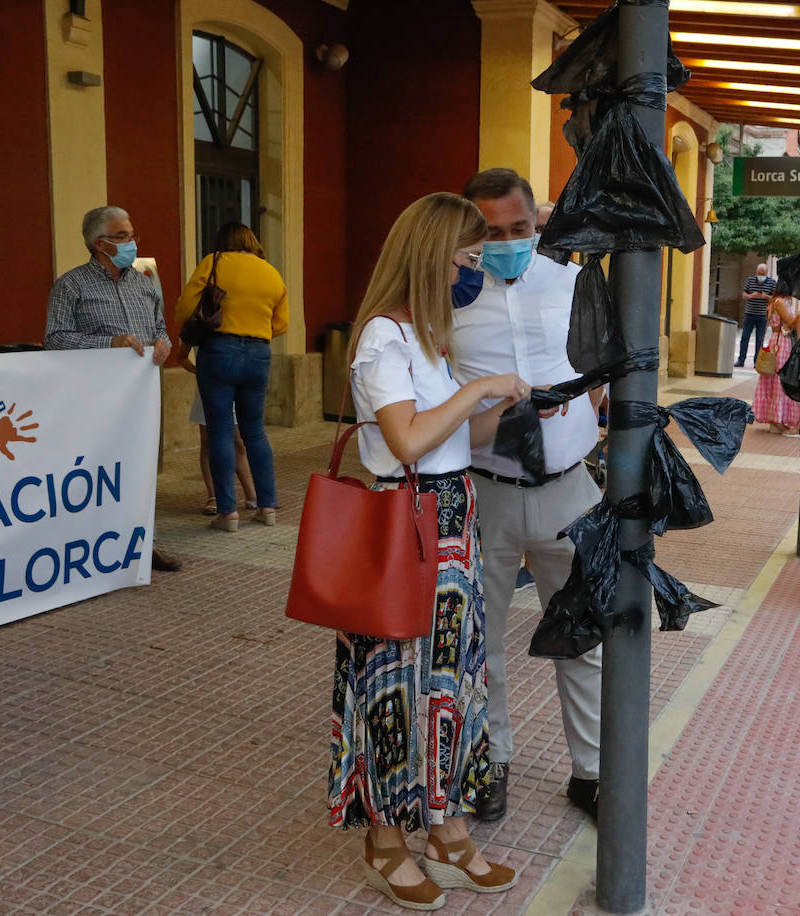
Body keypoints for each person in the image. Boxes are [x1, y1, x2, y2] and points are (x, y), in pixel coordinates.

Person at [330, 191, 528, 910]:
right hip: (404, 523)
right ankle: (386, 840)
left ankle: (442, 825)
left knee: (448, 679)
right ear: (432, 254)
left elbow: (453, 441)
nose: (474, 271)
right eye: (469, 258)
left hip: (449, 519)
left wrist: (498, 405)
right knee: (396, 684)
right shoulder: (383, 337)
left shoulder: (426, 337)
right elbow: (407, 443)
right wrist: (476, 386)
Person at [453, 168, 605, 821]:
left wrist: (575, 422)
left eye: (520, 229)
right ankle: (492, 762)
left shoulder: (573, 284)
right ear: (470, 233)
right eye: (493, 233)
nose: (509, 242)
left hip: (568, 488)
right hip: (483, 487)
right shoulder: (450, 297)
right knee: (479, 640)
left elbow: (601, 372)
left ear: (536, 224)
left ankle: (593, 772)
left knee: (583, 635)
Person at [44, 205, 181, 572]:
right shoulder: (71, 285)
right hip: (92, 401)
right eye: (122, 237)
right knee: (99, 472)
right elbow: (54, 339)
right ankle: (93, 545)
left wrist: (163, 343)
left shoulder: (144, 281)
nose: (131, 243)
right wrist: (109, 344)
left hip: (141, 399)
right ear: (99, 244)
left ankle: (143, 542)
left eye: (132, 235)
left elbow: (160, 328)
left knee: (141, 468)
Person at [174, 223, 285, 532]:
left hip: (219, 350)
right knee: (255, 432)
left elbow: (185, 309)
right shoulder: (271, 272)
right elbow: (282, 323)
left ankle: (228, 513)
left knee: (220, 431)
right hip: (259, 353)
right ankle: (267, 506)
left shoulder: (215, 261)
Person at [177, 340, 257, 516]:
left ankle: (251, 494)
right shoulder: (197, 320)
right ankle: (213, 496)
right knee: (208, 443)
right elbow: (181, 356)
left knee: (237, 442)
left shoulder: (234, 319)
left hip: (233, 386)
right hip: (208, 389)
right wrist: (199, 372)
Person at [752, 293, 800, 436]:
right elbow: (791, 323)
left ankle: (775, 421)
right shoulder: (781, 302)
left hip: (776, 341)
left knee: (774, 381)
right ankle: (778, 420)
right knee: (782, 380)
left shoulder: (776, 301)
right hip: (782, 343)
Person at [736, 262, 775, 367]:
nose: (761, 276)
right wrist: (750, 296)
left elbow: (775, 298)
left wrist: (765, 296)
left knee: (760, 339)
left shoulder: (772, 283)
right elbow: (744, 294)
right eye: (759, 273)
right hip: (750, 313)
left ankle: (756, 362)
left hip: (763, 315)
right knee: (745, 337)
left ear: (766, 273)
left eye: (763, 274)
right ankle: (741, 360)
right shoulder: (750, 280)